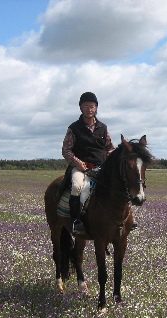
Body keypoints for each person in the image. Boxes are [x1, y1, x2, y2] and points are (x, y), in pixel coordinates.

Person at [62, 92, 115, 235]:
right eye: (85, 106)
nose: (89, 109)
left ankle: (125, 219)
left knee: (120, 184)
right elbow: (66, 150)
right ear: (80, 108)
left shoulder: (103, 128)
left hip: (101, 167)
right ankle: (75, 221)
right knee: (77, 186)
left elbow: (110, 148)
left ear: (96, 108)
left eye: (92, 106)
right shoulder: (74, 128)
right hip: (81, 167)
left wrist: (109, 164)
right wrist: (77, 163)